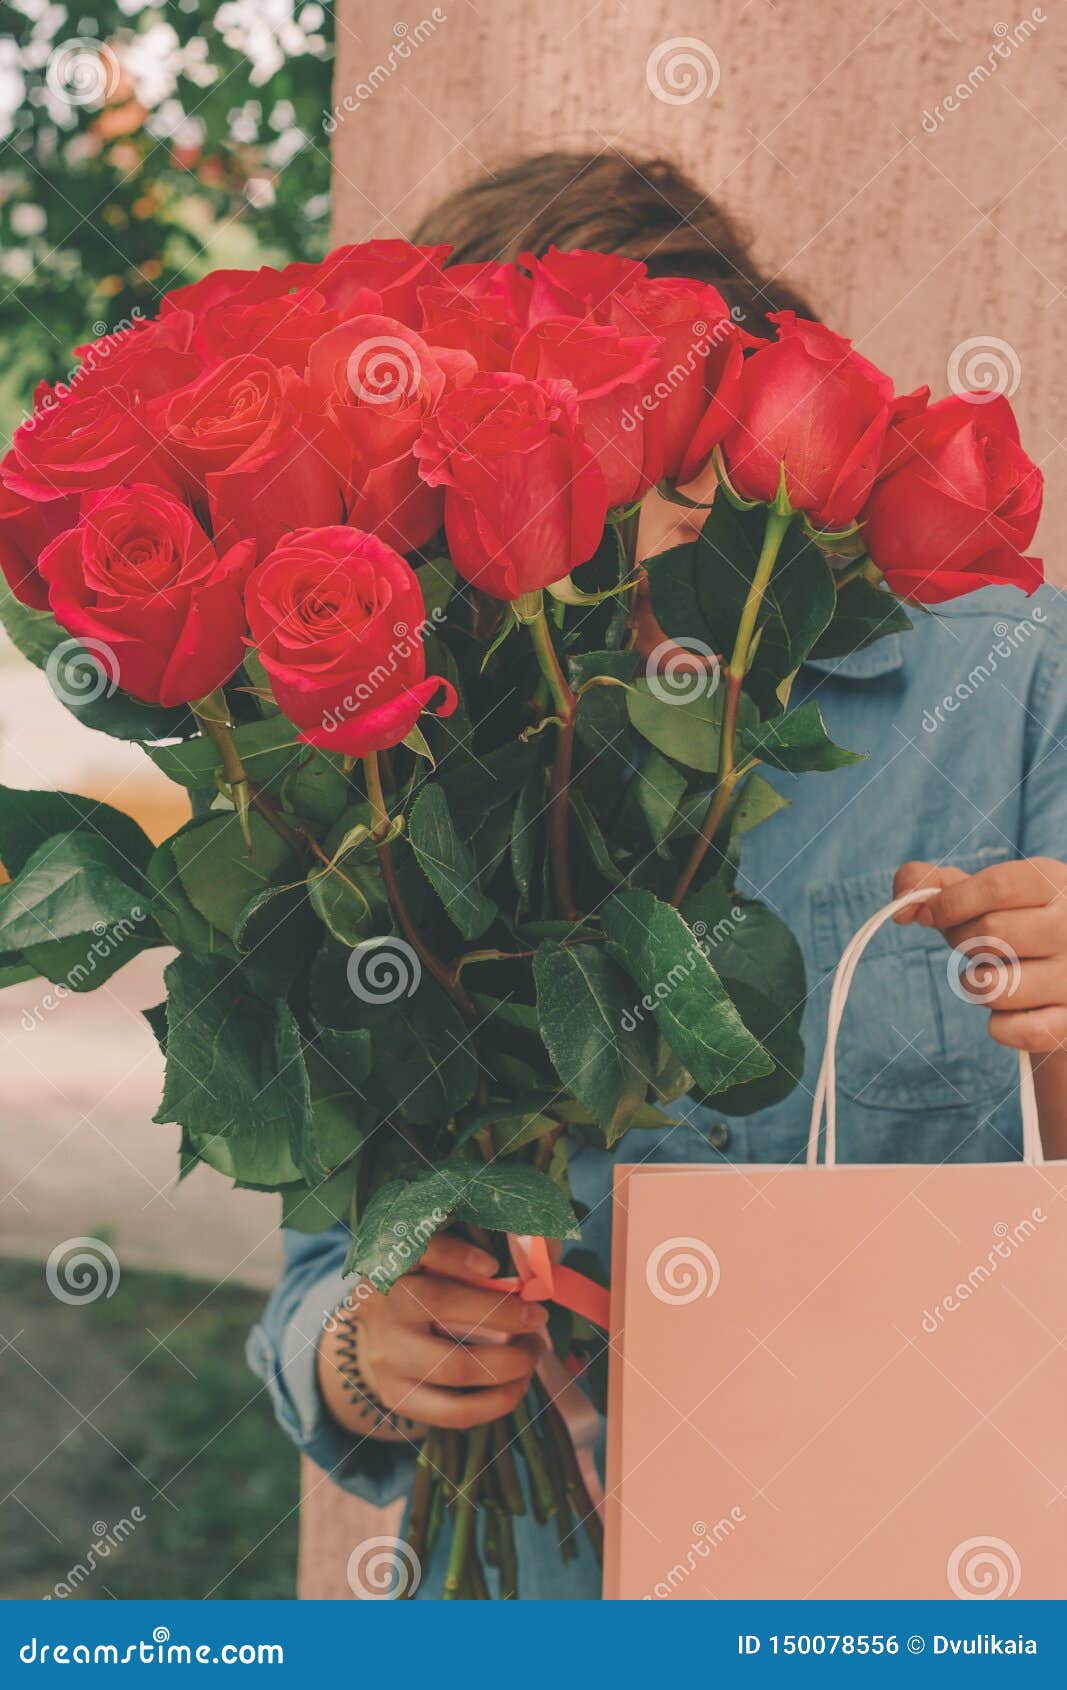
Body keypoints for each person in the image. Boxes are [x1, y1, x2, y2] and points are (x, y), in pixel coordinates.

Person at [247, 150, 1067, 1600]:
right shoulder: (394, 752)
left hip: (925, 1570)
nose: (630, 522)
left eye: (668, 456)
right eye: (547, 457)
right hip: (543, 1583)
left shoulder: (1008, 681)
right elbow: (325, 1274)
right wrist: (371, 1356)